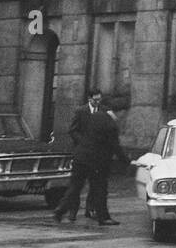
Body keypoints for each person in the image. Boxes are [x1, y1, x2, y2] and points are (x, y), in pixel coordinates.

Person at [54, 89, 127, 225]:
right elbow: (114, 145)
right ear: (118, 112)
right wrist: (126, 161)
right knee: (100, 188)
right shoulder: (109, 123)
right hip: (95, 160)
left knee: (75, 187)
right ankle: (103, 217)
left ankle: (60, 210)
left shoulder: (97, 117)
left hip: (81, 157)